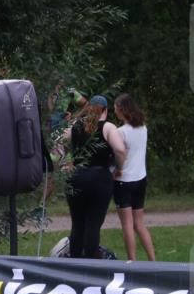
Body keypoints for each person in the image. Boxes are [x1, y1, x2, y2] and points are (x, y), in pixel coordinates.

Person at [55, 95, 127, 259]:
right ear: (105, 110)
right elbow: (120, 150)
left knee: (78, 224)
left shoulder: (74, 125)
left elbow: (58, 143)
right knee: (93, 224)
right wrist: (119, 168)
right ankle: (91, 264)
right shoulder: (108, 127)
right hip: (99, 178)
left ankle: (75, 263)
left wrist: (64, 163)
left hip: (76, 177)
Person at [113, 93, 155, 261]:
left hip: (124, 181)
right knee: (139, 224)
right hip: (140, 179)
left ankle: (132, 262)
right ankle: (153, 260)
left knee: (127, 224)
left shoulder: (120, 132)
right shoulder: (143, 127)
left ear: (122, 110)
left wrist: (117, 170)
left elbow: (120, 154)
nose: (114, 111)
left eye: (116, 108)